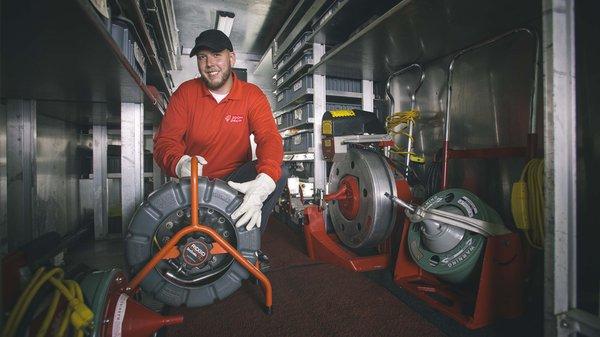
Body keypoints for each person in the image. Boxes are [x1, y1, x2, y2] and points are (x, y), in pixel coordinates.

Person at [154, 29, 287, 233]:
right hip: (197, 183)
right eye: (202, 57)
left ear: (231, 58)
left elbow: (269, 137)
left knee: (278, 173)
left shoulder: (252, 95)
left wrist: (266, 179)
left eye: (217, 55)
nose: (209, 64)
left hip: (236, 182)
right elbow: (165, 142)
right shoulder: (185, 94)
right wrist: (179, 163)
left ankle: (250, 245)